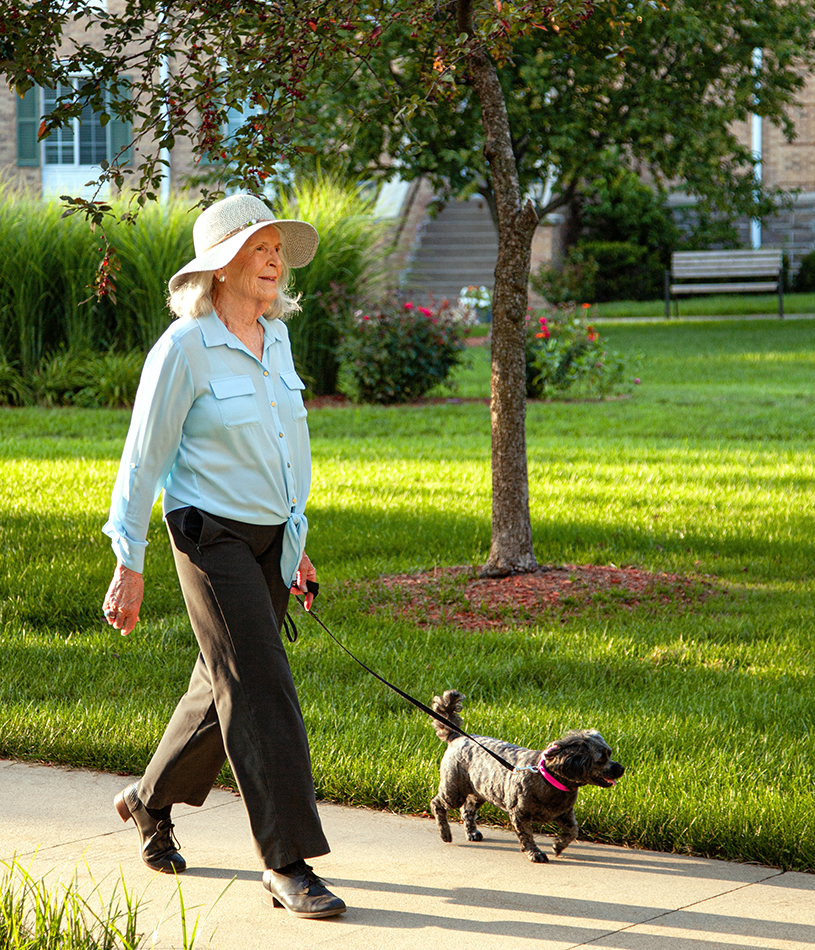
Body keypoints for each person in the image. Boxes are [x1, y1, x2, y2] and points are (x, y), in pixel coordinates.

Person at [101, 193, 346, 920]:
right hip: (209, 535)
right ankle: (287, 860)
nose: (274, 259)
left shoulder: (277, 340)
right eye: (259, 248)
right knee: (262, 684)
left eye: (278, 248)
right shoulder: (184, 348)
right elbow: (141, 462)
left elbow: (285, 450)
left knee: (221, 685)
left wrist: (297, 545)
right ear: (219, 266)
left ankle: (148, 801)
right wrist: (130, 561)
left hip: (272, 537)